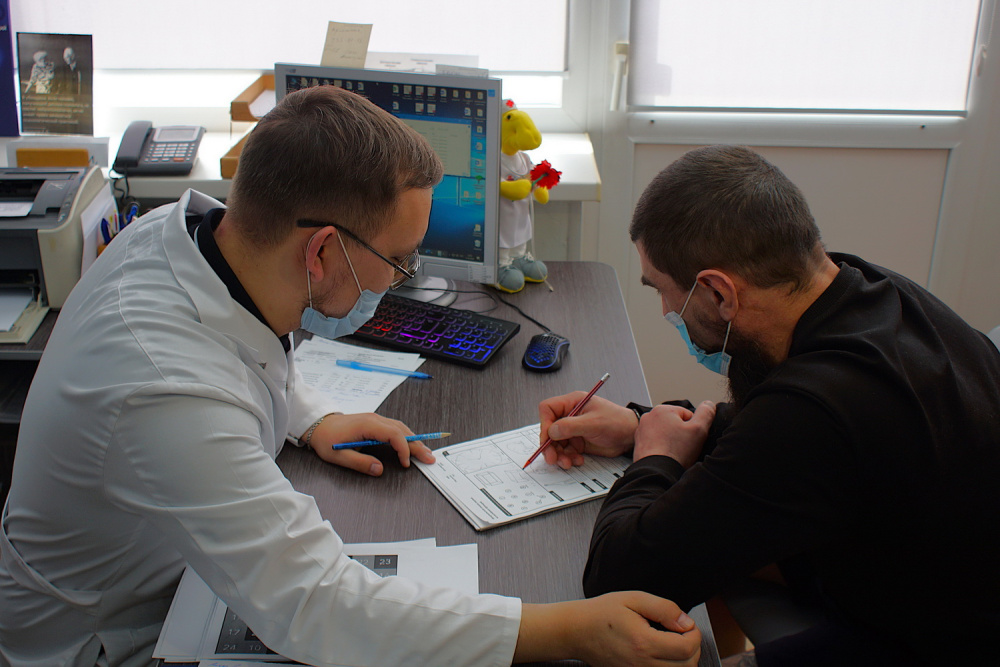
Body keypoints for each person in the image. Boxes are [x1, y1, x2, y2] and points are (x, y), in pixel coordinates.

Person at [0, 84, 702, 667]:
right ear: (322, 252)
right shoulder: (164, 390)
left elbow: (244, 342)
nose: (403, 279)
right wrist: (568, 629)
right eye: (399, 260)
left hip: (177, 561)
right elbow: (319, 604)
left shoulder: (190, 240)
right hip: (108, 634)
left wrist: (313, 417)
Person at [538, 145, 1000, 666]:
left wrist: (655, 458)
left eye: (665, 292)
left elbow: (617, 581)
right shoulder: (876, 291)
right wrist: (638, 424)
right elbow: (785, 438)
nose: (668, 310)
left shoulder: (811, 412)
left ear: (719, 292)